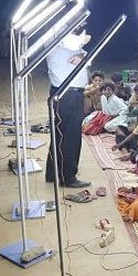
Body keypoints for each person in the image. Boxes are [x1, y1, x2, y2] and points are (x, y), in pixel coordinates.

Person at [45, 28, 91, 188]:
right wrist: (82, 40)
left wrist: (82, 55)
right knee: (69, 136)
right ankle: (68, 177)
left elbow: (84, 55)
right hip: (66, 93)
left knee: (61, 134)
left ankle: (54, 172)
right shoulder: (56, 34)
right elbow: (74, 44)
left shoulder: (70, 37)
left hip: (71, 92)